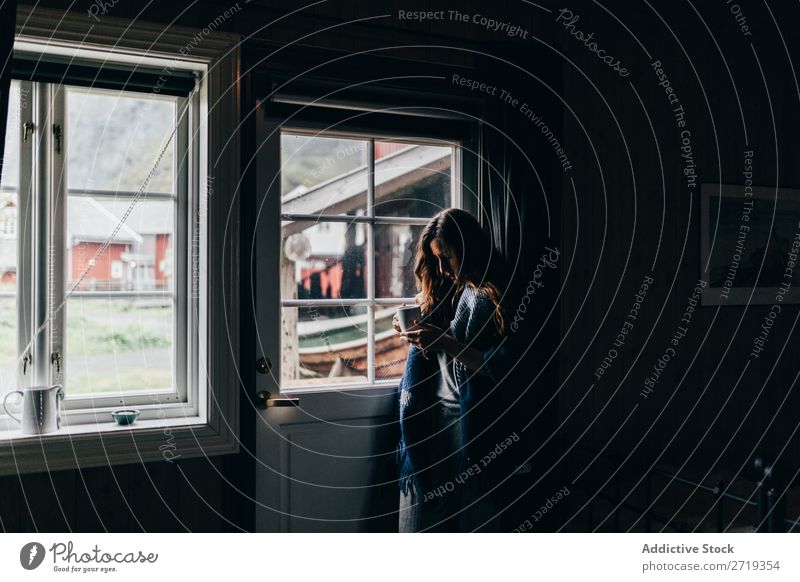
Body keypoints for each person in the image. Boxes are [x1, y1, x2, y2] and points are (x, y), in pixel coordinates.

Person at [393, 208, 510, 532]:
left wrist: (444, 342)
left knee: (468, 516)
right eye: (437, 259)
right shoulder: (460, 288)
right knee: (430, 518)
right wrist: (417, 329)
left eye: (448, 257)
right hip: (435, 413)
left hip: (467, 418)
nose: (443, 269)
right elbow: (439, 337)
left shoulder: (492, 294)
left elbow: (500, 367)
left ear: (468, 249)